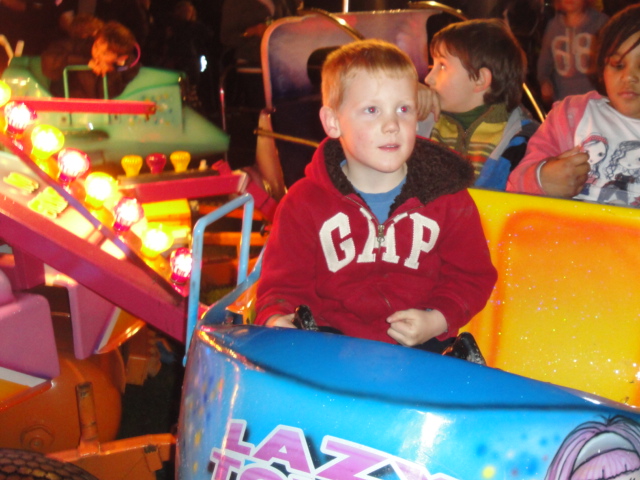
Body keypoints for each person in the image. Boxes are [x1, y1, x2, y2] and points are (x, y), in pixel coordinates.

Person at [254, 39, 497, 352]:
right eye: (372, 110)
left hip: (421, 349)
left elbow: (472, 277)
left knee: (461, 369)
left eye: (403, 109)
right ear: (333, 122)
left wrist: (435, 319)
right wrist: (278, 318)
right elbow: (282, 287)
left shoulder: (448, 198)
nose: (392, 125)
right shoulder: (304, 203)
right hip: (330, 347)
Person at [506, 4, 640, 207]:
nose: (628, 76)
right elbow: (515, 185)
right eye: (617, 65)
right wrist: (542, 180)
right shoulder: (570, 116)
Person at [416, 18, 540, 191]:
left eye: (442, 66)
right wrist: (403, 97)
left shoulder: (523, 142)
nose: (428, 78)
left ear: (480, 79)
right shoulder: (421, 120)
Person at [41, 19, 141, 99]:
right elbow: (49, 60)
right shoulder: (83, 45)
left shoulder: (128, 66)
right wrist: (85, 62)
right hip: (70, 107)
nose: (97, 54)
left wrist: (111, 73)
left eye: (105, 53)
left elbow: (110, 97)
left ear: (121, 57)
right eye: (96, 47)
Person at [536, 0, 608, 107]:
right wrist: (545, 83)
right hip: (564, 103)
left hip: (595, 102)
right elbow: (544, 64)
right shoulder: (553, 27)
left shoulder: (600, 23)